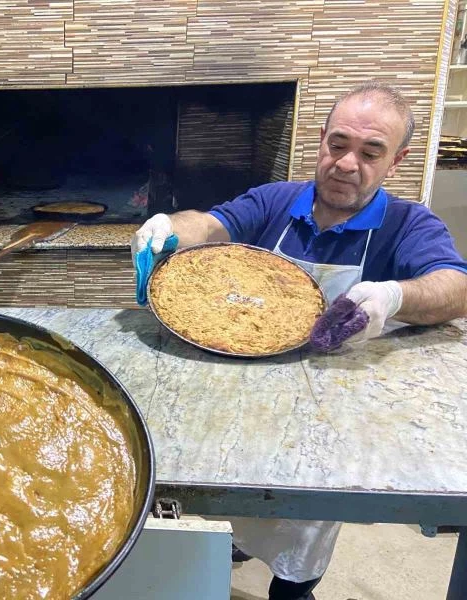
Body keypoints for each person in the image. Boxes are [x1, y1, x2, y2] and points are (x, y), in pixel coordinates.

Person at [132, 81, 467, 599]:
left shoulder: (406, 224)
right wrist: (167, 228)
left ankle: (293, 589)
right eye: (338, 144)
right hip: (245, 389)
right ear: (321, 140)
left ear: (396, 161)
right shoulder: (277, 200)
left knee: (305, 529)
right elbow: (212, 224)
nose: (347, 164)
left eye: (370, 152)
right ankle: (238, 545)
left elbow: (456, 286)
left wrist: (395, 296)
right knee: (233, 494)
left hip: (332, 411)